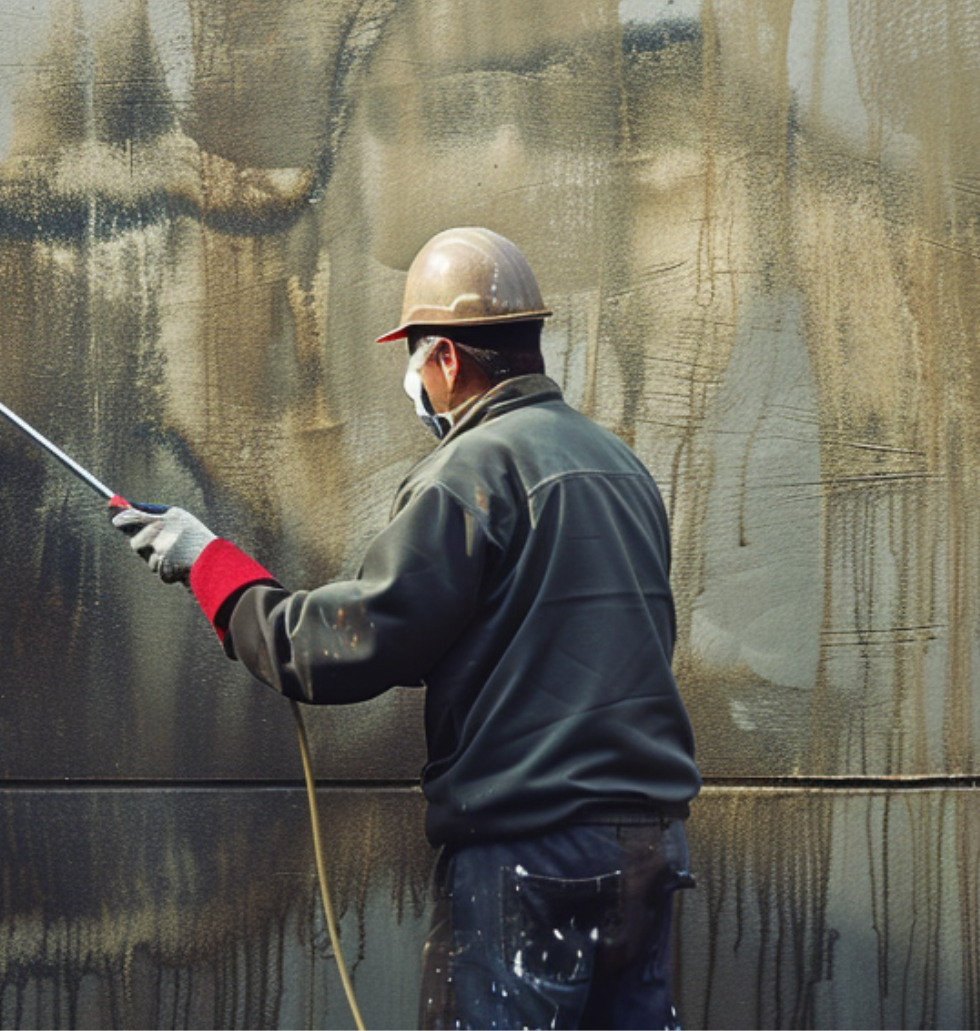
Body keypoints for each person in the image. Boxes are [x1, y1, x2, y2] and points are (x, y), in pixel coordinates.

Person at [112, 227, 701, 1029]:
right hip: (647, 852)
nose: (413, 378)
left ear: (448, 359)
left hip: (528, 856)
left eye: (415, 357)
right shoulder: (618, 467)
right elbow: (545, 635)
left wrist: (208, 564)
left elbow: (350, 643)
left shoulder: (473, 470)